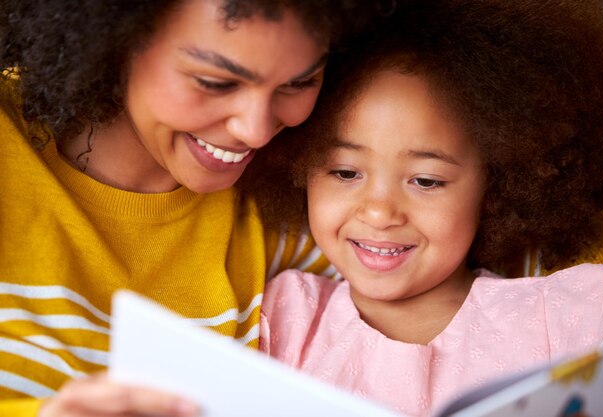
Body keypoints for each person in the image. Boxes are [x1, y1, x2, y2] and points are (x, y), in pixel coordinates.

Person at [0, 0, 384, 416]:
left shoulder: (302, 210)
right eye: (214, 81)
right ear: (112, 42)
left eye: (299, 82)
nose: (255, 130)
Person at [245, 0, 603, 415]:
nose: (379, 212)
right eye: (344, 172)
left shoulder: (572, 320)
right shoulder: (281, 317)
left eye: (425, 181)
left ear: (498, 184)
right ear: (300, 167)